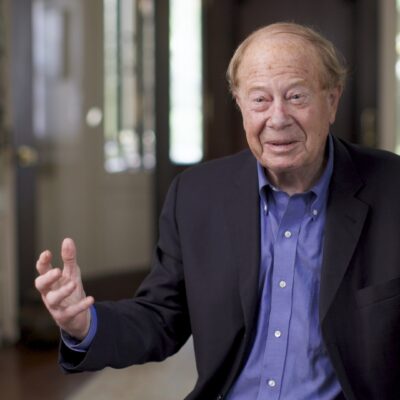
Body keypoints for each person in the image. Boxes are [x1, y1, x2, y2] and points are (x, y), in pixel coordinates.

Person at [35, 22, 400, 400]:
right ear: (240, 104)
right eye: (259, 99)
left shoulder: (392, 190)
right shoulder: (196, 195)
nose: (277, 118)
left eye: (296, 96)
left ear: (332, 100)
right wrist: (84, 324)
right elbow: (162, 317)